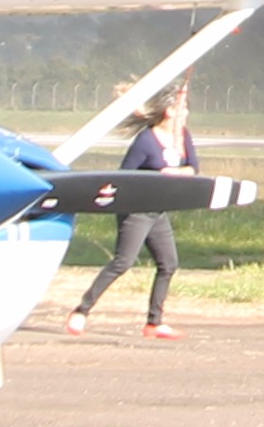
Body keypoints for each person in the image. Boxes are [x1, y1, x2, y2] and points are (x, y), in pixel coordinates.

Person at [64, 83, 198, 340]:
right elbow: (125, 176)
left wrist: (175, 173)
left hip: (158, 211)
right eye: (182, 108)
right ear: (169, 111)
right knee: (123, 262)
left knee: (169, 264)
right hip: (136, 210)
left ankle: (154, 323)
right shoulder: (146, 141)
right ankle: (81, 310)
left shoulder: (182, 136)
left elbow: (194, 167)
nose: (186, 114)